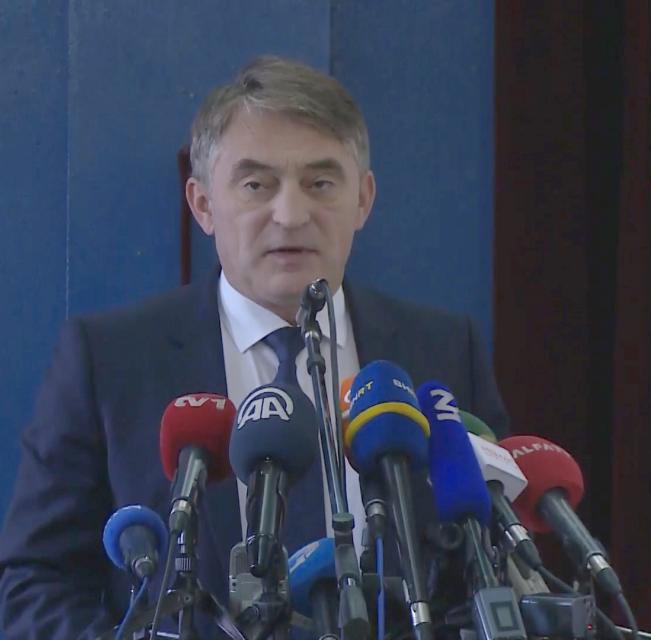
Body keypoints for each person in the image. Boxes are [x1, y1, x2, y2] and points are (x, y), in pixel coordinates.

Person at [0, 56, 508, 638]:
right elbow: (33, 584)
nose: (290, 215)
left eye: (320, 183)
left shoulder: (444, 353)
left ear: (363, 200)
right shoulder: (109, 361)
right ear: (203, 205)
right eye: (256, 185)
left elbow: (490, 570)